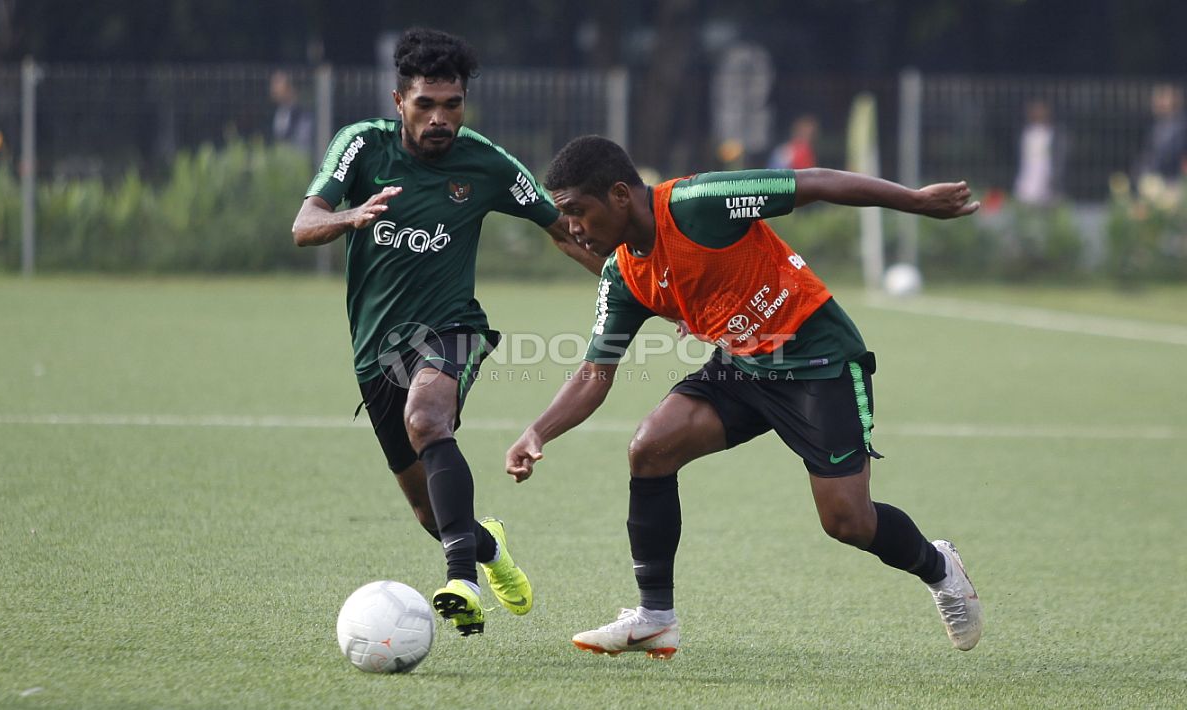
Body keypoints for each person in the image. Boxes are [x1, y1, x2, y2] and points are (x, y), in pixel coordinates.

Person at [505, 135, 984, 658]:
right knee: (651, 448)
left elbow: (815, 183)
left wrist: (914, 201)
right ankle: (655, 618)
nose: (571, 227)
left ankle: (939, 567)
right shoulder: (622, 275)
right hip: (743, 367)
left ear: (620, 195)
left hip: (818, 359)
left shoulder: (698, 203)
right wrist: (538, 431)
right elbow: (595, 372)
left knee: (847, 521)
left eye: (577, 211)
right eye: (564, 216)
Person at [291, 28, 603, 636]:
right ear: (398, 100)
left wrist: (643, 285)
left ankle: (460, 578)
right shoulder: (360, 146)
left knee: (428, 418)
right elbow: (305, 225)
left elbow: (564, 231)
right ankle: (487, 547)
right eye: (426, 104)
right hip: (376, 352)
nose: (440, 118)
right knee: (430, 511)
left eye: (452, 104)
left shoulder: (485, 161)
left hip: (453, 327)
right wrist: (352, 215)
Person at [1013, 99, 1068, 206]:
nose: (1037, 113)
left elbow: (1059, 158)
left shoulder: (1055, 134)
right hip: (1027, 181)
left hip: (1049, 183)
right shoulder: (1026, 133)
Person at [1133, 83, 1187, 185]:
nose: (1156, 101)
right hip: (1155, 181)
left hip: (1174, 183)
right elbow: (1148, 154)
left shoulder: (1183, 127)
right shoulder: (1156, 127)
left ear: (1175, 99)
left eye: (1162, 97)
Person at [269, 69, 316, 154]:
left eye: (277, 83)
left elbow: (303, 145)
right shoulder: (278, 112)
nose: (273, 89)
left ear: (290, 88)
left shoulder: (304, 116)